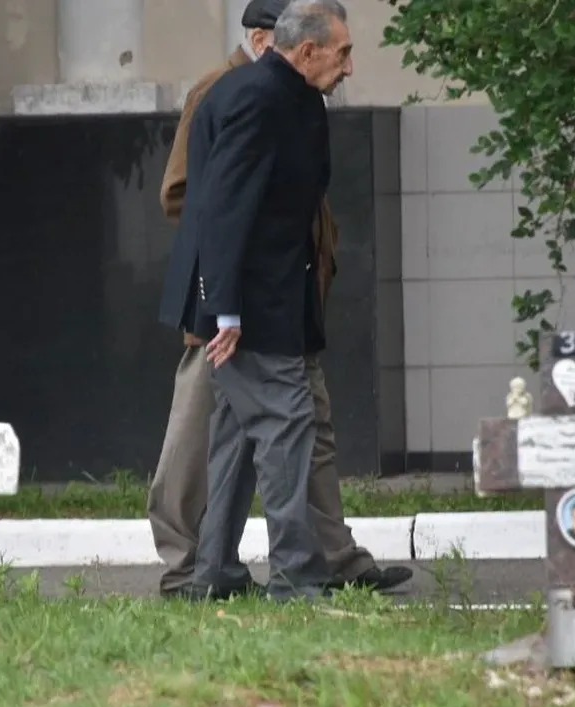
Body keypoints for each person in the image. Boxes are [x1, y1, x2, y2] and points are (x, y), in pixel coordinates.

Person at [148, 0, 412, 600]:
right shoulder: (250, 96)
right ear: (304, 49)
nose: (350, 66)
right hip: (247, 308)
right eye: (342, 52)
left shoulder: (288, 97)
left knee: (240, 438)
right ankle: (295, 574)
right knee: (285, 427)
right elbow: (217, 208)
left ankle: (214, 573)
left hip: (275, 301)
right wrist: (226, 310)